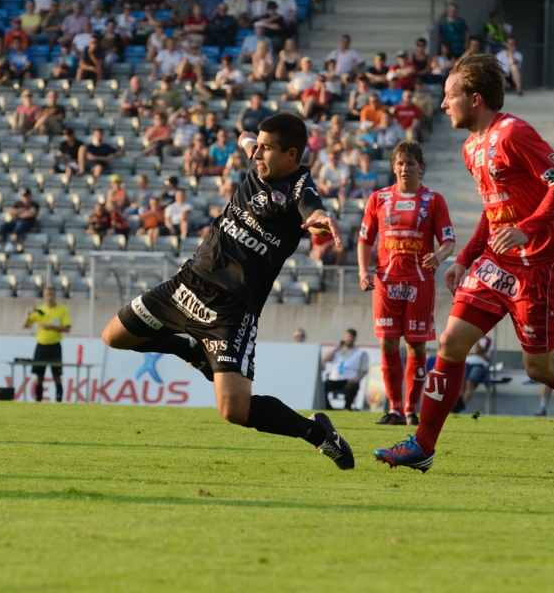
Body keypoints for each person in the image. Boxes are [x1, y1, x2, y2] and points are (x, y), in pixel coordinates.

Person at [375, 54, 554, 474]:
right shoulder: (471, 146)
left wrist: (528, 229)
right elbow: (493, 211)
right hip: (498, 260)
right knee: (452, 343)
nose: (442, 105)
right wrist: (466, 257)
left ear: (475, 99)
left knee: (540, 366)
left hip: (541, 264)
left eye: (449, 96)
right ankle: (422, 445)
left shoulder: (514, 133)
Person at [100, 113, 356, 471]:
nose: (257, 156)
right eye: (259, 148)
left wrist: (318, 220)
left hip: (231, 311)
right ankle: (190, 348)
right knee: (114, 336)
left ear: (292, 156)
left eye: (267, 150)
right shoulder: (259, 157)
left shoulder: (300, 187)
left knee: (234, 410)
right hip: (188, 283)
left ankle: (317, 434)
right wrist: (247, 138)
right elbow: (247, 140)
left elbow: (311, 209)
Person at [359, 140, 454, 426]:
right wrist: (363, 271)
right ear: (393, 167)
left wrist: (439, 255)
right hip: (386, 282)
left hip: (420, 282)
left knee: (416, 347)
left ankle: (412, 409)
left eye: (410, 163)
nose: (404, 168)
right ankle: (394, 409)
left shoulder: (433, 200)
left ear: (420, 167)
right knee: (387, 344)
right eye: (400, 163)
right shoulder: (378, 199)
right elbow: (365, 239)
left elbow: (448, 241)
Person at [321, 329, 369, 410]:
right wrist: (338, 347)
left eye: (352, 336)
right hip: (334, 380)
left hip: (349, 381)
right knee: (322, 387)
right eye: (348, 336)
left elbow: (363, 371)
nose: (349, 338)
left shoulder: (360, 353)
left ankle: (347, 408)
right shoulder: (337, 351)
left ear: (355, 338)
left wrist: (356, 380)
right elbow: (324, 359)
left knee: (352, 387)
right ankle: (328, 408)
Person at [0, 188, 39, 252]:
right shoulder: (18, 204)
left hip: (27, 223)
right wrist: (23, 210)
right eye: (24, 196)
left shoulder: (34, 204)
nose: (25, 198)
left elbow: (31, 214)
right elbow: (10, 211)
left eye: (26, 196)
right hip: (15, 221)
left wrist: (18, 213)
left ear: (30, 196)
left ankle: (12, 243)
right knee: (4, 226)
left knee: (19, 226)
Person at [454, 335, 492, 413]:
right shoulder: (468, 338)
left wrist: (476, 341)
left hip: (480, 365)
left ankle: (461, 406)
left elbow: (478, 350)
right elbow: (464, 353)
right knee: (461, 384)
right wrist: (478, 353)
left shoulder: (487, 340)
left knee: (470, 383)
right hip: (467, 363)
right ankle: (458, 405)